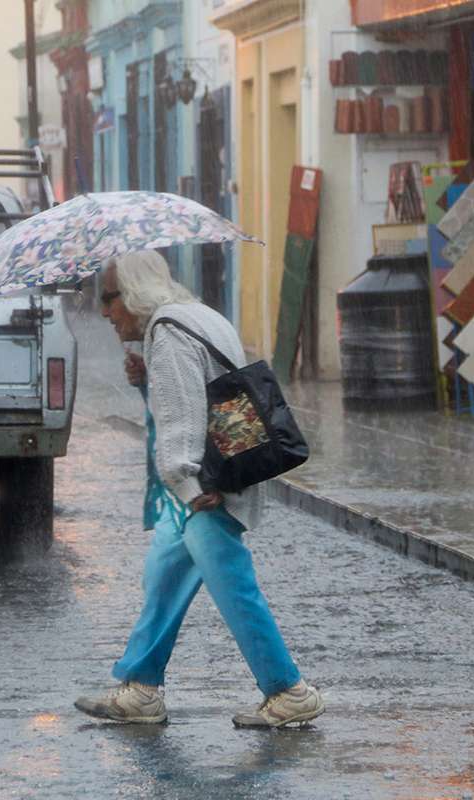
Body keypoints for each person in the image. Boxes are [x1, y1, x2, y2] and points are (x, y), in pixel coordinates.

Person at [74, 250, 325, 729]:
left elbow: (182, 421)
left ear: (132, 294)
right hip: (221, 475)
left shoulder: (166, 334)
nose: (105, 312)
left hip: (206, 489)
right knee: (164, 578)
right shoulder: (196, 315)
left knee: (234, 587)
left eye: (108, 299)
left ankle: (287, 689)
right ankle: (142, 687)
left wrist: (186, 484)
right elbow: (208, 393)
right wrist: (149, 381)